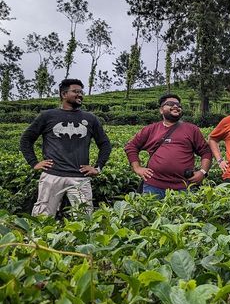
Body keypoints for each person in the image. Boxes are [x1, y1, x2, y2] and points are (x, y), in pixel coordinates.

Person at [20, 79, 112, 216]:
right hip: (52, 175)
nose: (80, 95)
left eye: (81, 92)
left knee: (85, 219)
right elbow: (26, 139)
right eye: (75, 91)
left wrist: (98, 167)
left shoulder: (90, 118)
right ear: (64, 94)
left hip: (80, 177)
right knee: (42, 217)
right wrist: (34, 163)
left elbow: (105, 144)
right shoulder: (47, 116)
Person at [124, 93, 212, 199]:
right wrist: (137, 168)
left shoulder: (192, 129)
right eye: (170, 104)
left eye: (178, 105)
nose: (176, 106)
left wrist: (203, 172)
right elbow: (131, 146)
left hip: (183, 187)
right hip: (153, 186)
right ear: (161, 110)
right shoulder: (151, 129)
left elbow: (206, 151)